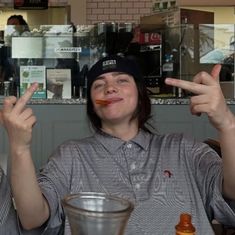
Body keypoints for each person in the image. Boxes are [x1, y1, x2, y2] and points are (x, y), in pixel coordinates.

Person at [1, 55, 235, 234]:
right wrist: (19, 147)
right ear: (92, 104)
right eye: (98, 84)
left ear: (141, 94)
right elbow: (32, 217)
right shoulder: (71, 156)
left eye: (122, 80)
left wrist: (227, 125)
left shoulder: (183, 148)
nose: (110, 88)